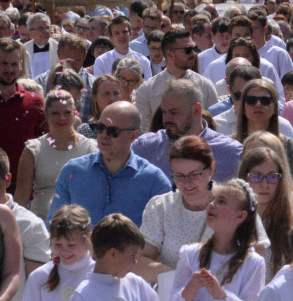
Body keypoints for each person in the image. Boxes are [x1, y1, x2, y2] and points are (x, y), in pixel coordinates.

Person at [50, 101, 172, 225]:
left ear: (133, 135)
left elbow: (165, 233)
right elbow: (55, 225)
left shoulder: (154, 181)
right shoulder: (72, 172)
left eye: (113, 131)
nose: (103, 135)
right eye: (99, 128)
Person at [132, 79, 243, 183]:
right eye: (164, 112)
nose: (166, 119)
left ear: (196, 110)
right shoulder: (146, 147)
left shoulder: (231, 153)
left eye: (174, 112)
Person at [15, 90, 98, 219]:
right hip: (42, 224)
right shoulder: (33, 149)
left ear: (75, 113)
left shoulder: (91, 148)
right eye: (55, 113)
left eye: (67, 113)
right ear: (46, 114)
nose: (62, 118)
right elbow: (21, 198)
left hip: (79, 224)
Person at [133, 28, 219, 128]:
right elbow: (145, 129)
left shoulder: (206, 85)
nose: (193, 54)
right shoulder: (147, 89)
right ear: (169, 54)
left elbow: (213, 125)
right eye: (188, 50)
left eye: (194, 48)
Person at [238, 147, 293, 279]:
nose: (264, 184)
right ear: (244, 178)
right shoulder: (231, 221)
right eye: (256, 177)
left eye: (272, 177)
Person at [0, 38, 46, 192]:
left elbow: (44, 144)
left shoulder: (34, 102)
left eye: (14, 64)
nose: (9, 69)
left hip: (24, 191)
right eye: (4, 64)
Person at [231, 78, 293, 178]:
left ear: (275, 108)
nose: (258, 105)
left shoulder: (289, 146)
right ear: (243, 107)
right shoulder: (229, 144)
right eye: (251, 100)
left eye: (265, 100)